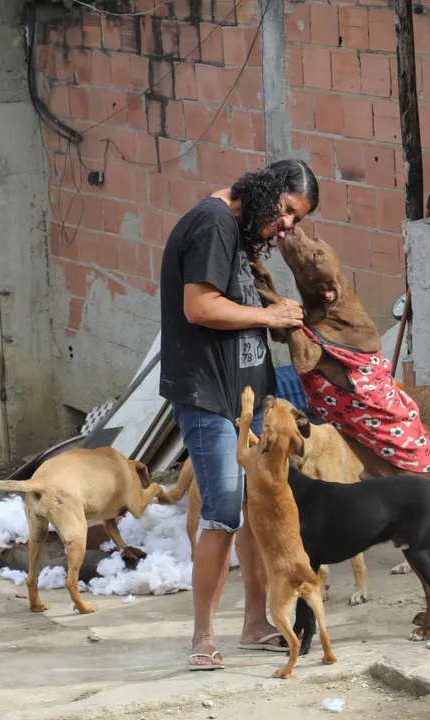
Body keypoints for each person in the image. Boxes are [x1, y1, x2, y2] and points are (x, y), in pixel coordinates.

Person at [159, 159, 319, 671]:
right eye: (289, 212)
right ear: (270, 192)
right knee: (224, 512)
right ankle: (202, 636)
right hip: (210, 397)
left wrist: (280, 317)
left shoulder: (238, 234)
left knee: (251, 512)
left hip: (246, 401)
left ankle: (255, 622)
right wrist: (268, 315)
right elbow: (199, 307)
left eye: (298, 219)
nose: (289, 226)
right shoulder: (213, 224)